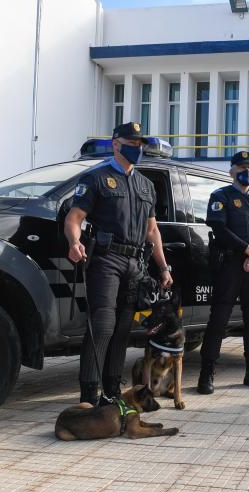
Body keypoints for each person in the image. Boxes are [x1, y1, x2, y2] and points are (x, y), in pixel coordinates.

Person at [66, 122, 173, 406]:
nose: (136, 148)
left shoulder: (146, 185)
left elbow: (152, 230)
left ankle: (112, 393)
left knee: (124, 329)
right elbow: (74, 218)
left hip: (135, 262)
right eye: (131, 143)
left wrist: (163, 268)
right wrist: (74, 242)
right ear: (116, 143)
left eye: (139, 144)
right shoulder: (96, 179)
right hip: (105, 259)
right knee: (102, 326)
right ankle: (89, 395)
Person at [196, 150, 249, 394]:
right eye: (242, 167)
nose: (247, 171)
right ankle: (207, 372)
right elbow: (219, 228)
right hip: (230, 265)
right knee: (219, 320)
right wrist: (247, 250)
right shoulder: (221, 196)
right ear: (231, 171)